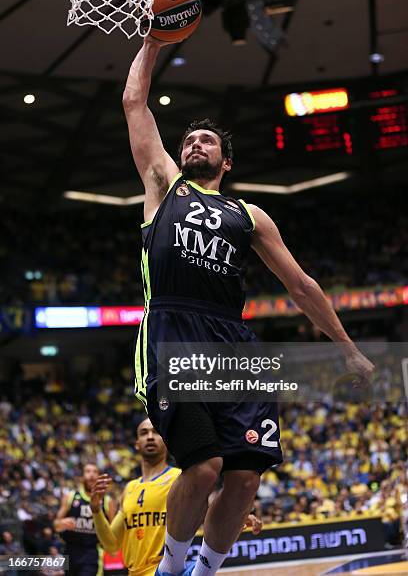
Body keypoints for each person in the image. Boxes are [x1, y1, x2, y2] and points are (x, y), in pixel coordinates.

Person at [122, 37, 374, 576]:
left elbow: (302, 286)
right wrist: (153, 39)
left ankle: (206, 570)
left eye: (206, 141)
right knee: (206, 465)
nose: (194, 145)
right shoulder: (163, 186)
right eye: (188, 140)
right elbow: (134, 104)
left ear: (225, 160)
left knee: (244, 476)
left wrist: (349, 350)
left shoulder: (250, 215)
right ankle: (171, 569)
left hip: (234, 343)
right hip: (174, 331)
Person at [90, 418, 261, 576]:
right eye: (144, 433)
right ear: (136, 444)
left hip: (165, 569)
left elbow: (210, 512)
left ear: (166, 439)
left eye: (156, 432)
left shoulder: (179, 478)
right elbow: (111, 545)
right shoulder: (129, 489)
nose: (150, 437)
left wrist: (236, 516)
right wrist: (96, 510)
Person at [54, 463, 115, 576]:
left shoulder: (107, 501)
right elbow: (56, 524)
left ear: (99, 477)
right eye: (88, 471)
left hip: (92, 553)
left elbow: (113, 532)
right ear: (82, 476)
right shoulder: (71, 496)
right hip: (70, 551)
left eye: (94, 471)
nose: (91, 475)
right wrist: (61, 523)